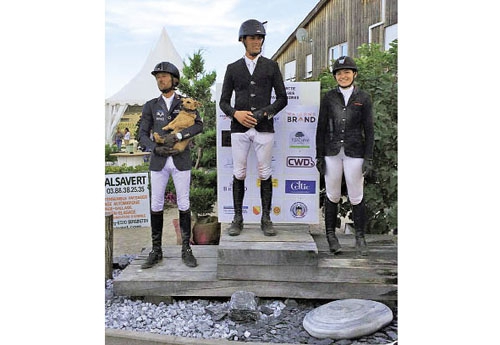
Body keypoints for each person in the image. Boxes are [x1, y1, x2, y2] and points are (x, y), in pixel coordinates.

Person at [219, 19, 288, 237]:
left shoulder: (271, 66)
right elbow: (223, 101)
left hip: (263, 127)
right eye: (253, 38)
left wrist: (263, 113)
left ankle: (266, 218)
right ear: (243, 40)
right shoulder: (232, 68)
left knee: (265, 172)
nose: (257, 41)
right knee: (238, 172)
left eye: (260, 38)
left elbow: (283, 99)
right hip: (239, 128)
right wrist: (235, 113)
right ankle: (237, 218)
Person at [138, 61, 204, 269]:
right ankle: (156, 250)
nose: (160, 80)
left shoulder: (186, 102)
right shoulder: (150, 105)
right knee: (156, 204)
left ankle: (186, 248)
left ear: (174, 80)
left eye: (164, 76)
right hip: (158, 160)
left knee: (183, 203)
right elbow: (142, 133)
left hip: (180, 159)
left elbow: (199, 125)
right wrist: (153, 147)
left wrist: (179, 135)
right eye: (158, 77)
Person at [315, 56, 374, 256]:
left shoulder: (363, 98)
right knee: (332, 194)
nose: (343, 76)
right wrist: (319, 155)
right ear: (335, 76)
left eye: (347, 72)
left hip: (355, 152)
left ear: (354, 74)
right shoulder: (329, 97)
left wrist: (369, 157)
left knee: (356, 195)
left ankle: (360, 236)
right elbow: (321, 128)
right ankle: (331, 236)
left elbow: (369, 129)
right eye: (339, 73)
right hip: (332, 152)